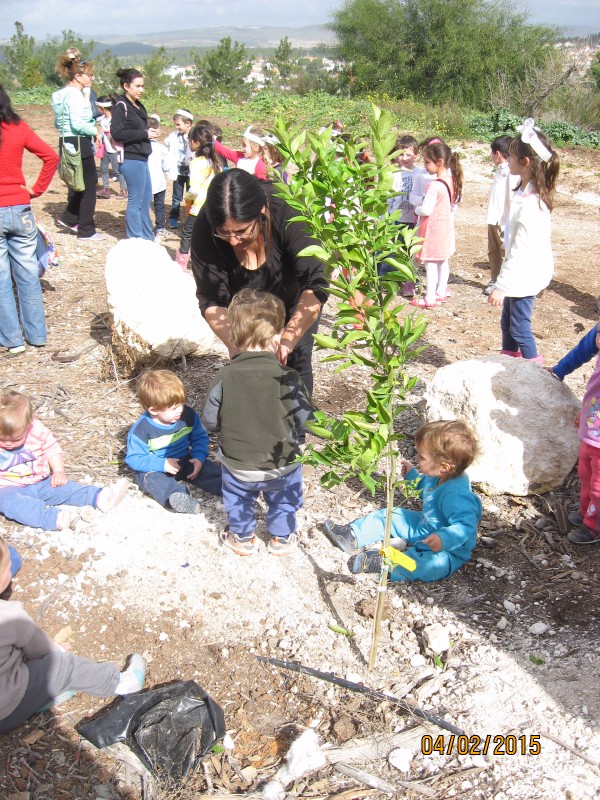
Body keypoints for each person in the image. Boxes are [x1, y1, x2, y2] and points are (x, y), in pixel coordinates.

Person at [190, 169, 328, 395]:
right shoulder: (207, 225)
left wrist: (288, 339)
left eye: (242, 231)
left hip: (296, 299)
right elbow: (211, 298)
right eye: (224, 233)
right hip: (245, 307)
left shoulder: (290, 212)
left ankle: (297, 429)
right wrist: (237, 347)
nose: (234, 241)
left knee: (296, 362)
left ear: (261, 211)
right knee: (249, 369)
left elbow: (316, 284)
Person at [201, 289, 314, 556]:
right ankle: (281, 538)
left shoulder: (224, 376)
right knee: (284, 501)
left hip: (238, 464)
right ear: (277, 337)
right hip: (281, 465)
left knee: (238, 500)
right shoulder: (289, 376)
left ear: (235, 337)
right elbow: (308, 421)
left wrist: (223, 426)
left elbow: (209, 420)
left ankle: (241, 537)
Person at [0, 536, 146, 734]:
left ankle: (44, 695)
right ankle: (122, 683)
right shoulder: (10, 616)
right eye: (7, 568)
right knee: (64, 666)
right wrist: (57, 649)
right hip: (6, 711)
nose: (10, 571)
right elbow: (41, 649)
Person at [324, 420, 482, 582]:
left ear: (444, 467)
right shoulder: (439, 477)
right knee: (391, 515)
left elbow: (465, 527)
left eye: (421, 457)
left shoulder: (456, 495)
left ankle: (387, 565)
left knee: (430, 565)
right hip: (424, 526)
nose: (416, 457)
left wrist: (444, 539)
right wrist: (412, 477)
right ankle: (352, 535)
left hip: (448, 548)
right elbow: (426, 489)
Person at [0, 390, 128, 531]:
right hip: (8, 487)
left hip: (41, 481)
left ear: (28, 424)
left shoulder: (36, 430)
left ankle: (100, 497)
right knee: (11, 503)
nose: (8, 444)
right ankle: (57, 518)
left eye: (16, 439)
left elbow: (51, 449)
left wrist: (58, 471)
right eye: (2, 439)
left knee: (66, 489)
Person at [487, 119, 559, 362]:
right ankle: (509, 361)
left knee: (519, 327)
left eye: (512, 156)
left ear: (525, 162)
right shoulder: (524, 193)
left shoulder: (532, 204)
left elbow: (520, 250)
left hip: (525, 273)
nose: (507, 160)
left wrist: (500, 285)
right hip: (522, 272)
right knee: (507, 324)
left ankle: (534, 370)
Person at [0, 84, 58, 355]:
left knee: (1, 279)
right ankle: (37, 336)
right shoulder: (17, 125)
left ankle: (12, 340)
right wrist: (36, 190)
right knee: (27, 274)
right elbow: (51, 156)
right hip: (20, 207)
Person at [125, 370, 222, 514]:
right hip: (157, 467)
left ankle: (231, 488)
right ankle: (177, 496)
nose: (179, 410)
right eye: (173, 408)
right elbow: (134, 458)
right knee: (149, 479)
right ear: (153, 410)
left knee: (211, 471)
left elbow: (199, 437)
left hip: (184, 459)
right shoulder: (141, 430)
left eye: (181, 404)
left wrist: (199, 458)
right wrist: (162, 464)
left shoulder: (188, 416)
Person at [549, 322, 600, 544]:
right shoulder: (596, 335)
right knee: (586, 474)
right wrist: (560, 369)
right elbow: (585, 348)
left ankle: (593, 526)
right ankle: (586, 511)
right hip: (592, 424)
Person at [51, 49, 105, 241]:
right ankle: (86, 230)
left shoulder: (60, 95)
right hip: (79, 141)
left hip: (66, 140)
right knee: (90, 185)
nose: (91, 78)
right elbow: (77, 123)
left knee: (79, 183)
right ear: (77, 75)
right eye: (89, 75)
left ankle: (69, 218)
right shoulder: (74, 95)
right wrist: (95, 131)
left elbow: (59, 123)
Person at [411, 139, 462, 309]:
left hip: (432, 229)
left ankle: (430, 296)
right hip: (445, 227)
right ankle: (441, 291)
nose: (425, 166)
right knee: (442, 261)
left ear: (439, 162)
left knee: (431, 263)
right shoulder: (451, 180)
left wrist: (416, 209)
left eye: (427, 162)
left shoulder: (434, 185)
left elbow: (426, 209)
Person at [110, 67, 157, 241]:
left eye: (142, 86)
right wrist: (144, 134)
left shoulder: (138, 106)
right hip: (131, 159)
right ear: (126, 86)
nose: (141, 90)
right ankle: (135, 238)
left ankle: (147, 238)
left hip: (142, 158)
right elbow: (118, 133)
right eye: (137, 86)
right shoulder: (121, 107)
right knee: (136, 201)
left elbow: (136, 129)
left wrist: (148, 131)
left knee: (145, 201)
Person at [384, 134, 425, 296]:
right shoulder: (392, 173)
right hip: (395, 218)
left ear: (416, 154)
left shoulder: (420, 173)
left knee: (410, 252)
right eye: (401, 154)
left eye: (409, 154)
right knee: (392, 250)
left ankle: (410, 278)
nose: (404, 158)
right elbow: (387, 197)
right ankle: (388, 279)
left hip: (413, 220)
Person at [175, 123, 221, 270]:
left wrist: (187, 198)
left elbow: (194, 189)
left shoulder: (196, 162)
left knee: (188, 232)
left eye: (189, 140)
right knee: (209, 233)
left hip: (199, 205)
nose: (189, 143)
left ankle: (182, 263)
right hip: (212, 204)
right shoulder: (214, 160)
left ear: (196, 143)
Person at [484, 135, 517, 296]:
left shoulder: (511, 172)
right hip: (493, 217)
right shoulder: (500, 171)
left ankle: (503, 282)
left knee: (504, 251)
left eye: (492, 153)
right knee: (494, 250)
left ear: (497, 153)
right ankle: (494, 278)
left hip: (502, 219)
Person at [164, 109, 193, 230]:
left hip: (192, 172)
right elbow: (166, 145)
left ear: (188, 123)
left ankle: (191, 219)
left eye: (178, 124)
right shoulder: (173, 136)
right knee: (177, 197)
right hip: (179, 172)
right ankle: (174, 218)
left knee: (192, 196)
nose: (177, 127)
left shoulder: (194, 136)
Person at [146, 114, 173, 242]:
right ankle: (160, 228)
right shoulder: (161, 149)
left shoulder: (139, 147)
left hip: (145, 181)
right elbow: (167, 166)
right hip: (159, 182)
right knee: (159, 206)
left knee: (144, 205)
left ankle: (145, 228)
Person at [95, 95, 127, 199]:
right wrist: (100, 135)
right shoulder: (103, 119)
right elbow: (104, 132)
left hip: (114, 149)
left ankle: (124, 190)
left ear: (102, 108)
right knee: (103, 169)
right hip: (106, 148)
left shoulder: (114, 120)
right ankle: (106, 189)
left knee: (117, 170)